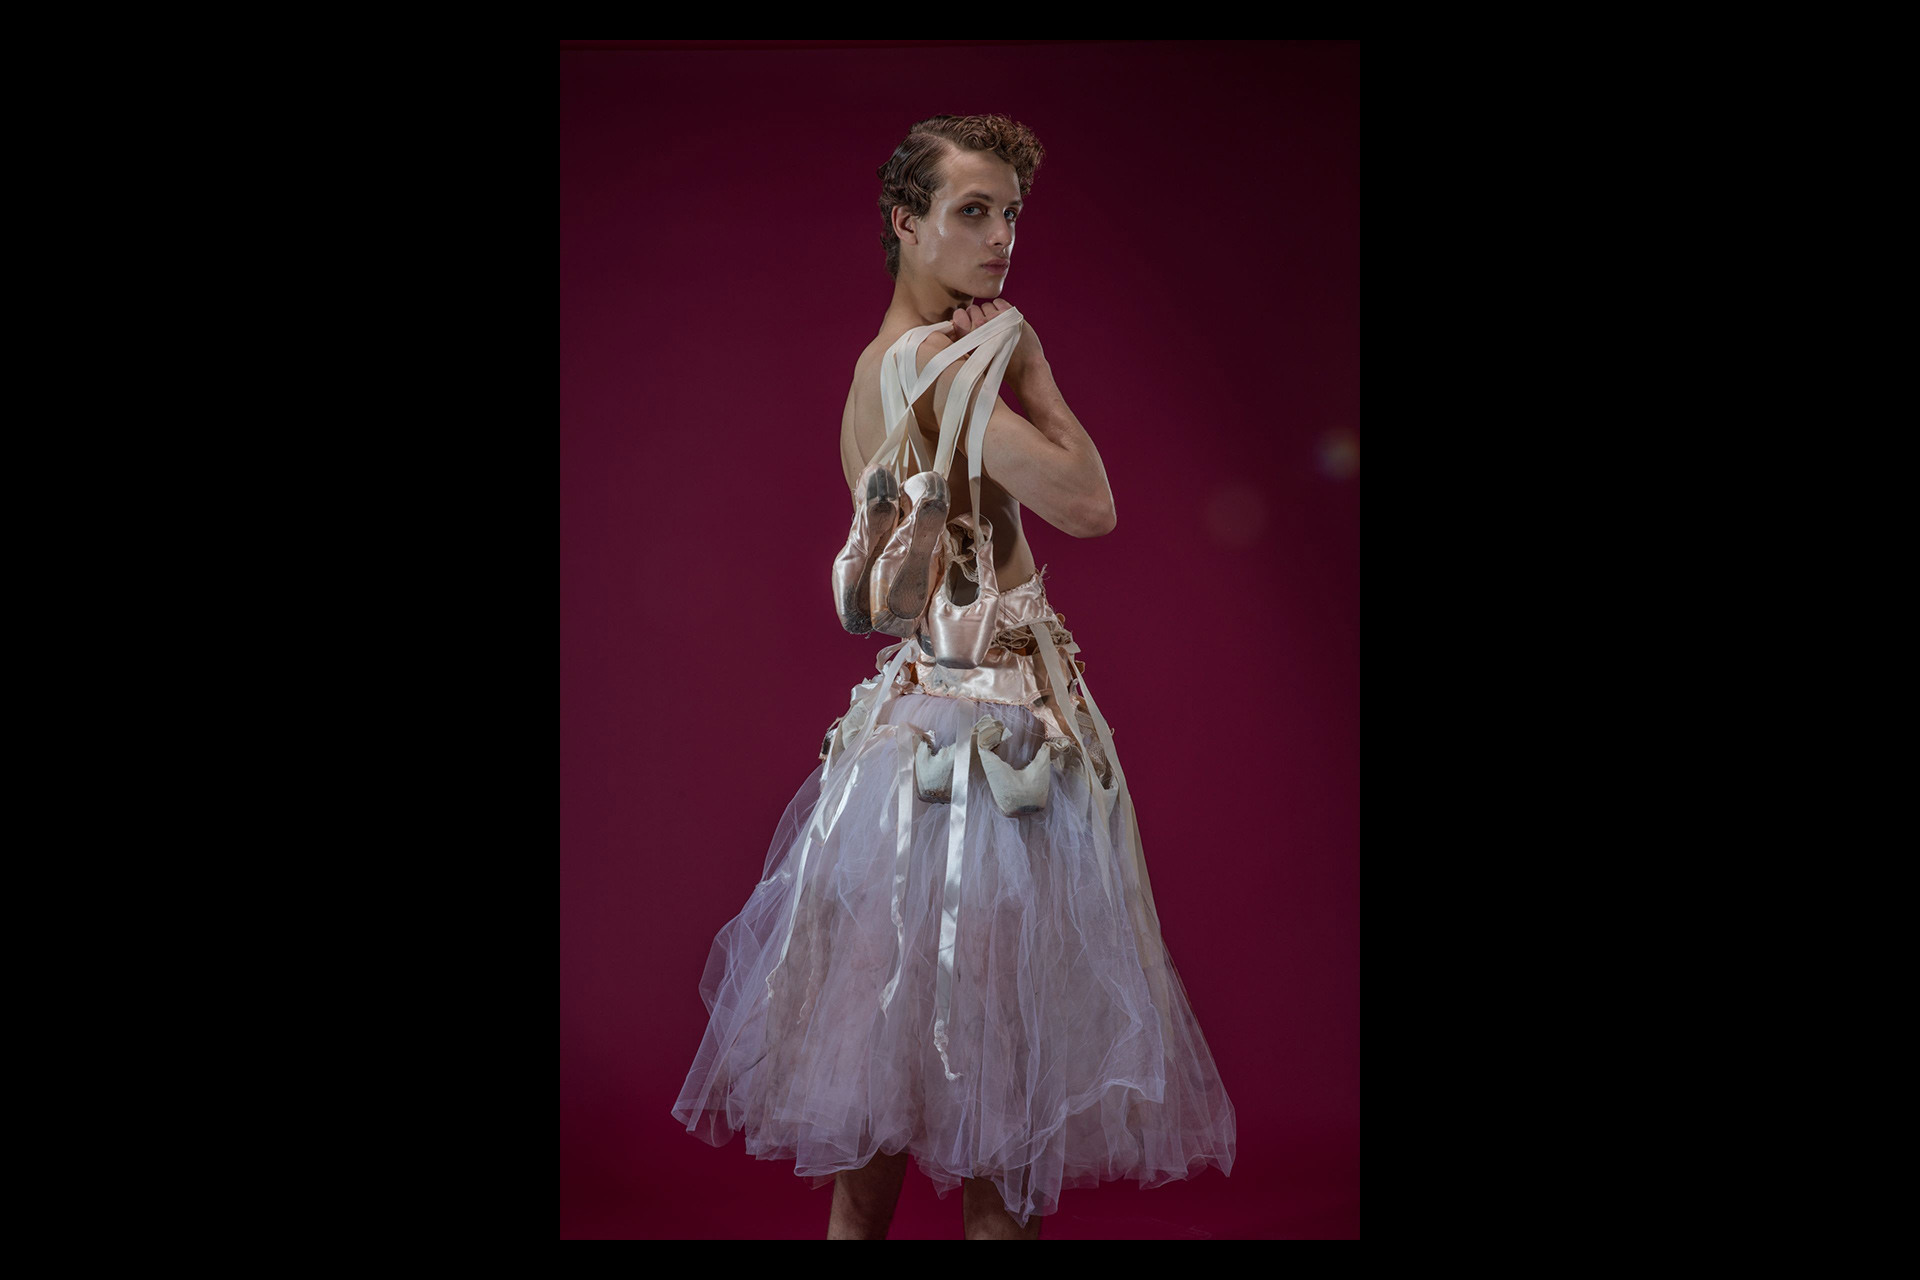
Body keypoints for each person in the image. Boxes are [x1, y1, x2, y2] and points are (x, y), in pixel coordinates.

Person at [670, 113, 1236, 1241]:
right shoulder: (942, 362)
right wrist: (1033, 364)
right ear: (906, 224)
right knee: (999, 1108)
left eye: (1011, 213)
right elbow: (1091, 502)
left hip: (908, 755)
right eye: (971, 212)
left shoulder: (871, 373)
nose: (1000, 239)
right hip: (980, 763)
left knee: (880, 1109)